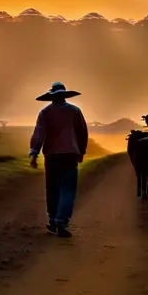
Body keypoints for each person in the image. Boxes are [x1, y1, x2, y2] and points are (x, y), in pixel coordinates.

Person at [29, 82, 88, 238]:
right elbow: (82, 133)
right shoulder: (75, 111)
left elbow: (39, 133)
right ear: (64, 95)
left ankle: (53, 220)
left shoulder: (45, 113)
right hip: (70, 154)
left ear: (52, 96)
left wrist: (34, 153)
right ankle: (62, 221)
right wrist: (81, 151)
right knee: (68, 190)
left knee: (52, 189)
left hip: (52, 156)